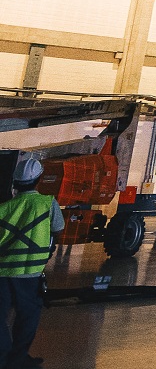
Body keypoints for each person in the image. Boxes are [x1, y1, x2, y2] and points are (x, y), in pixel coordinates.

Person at [0, 157, 62, 369]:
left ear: (15, 182)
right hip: (31, 274)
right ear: (39, 180)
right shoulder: (48, 204)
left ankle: (2, 358)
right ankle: (18, 359)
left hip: (3, 273)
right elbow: (57, 229)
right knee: (27, 317)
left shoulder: (5, 208)